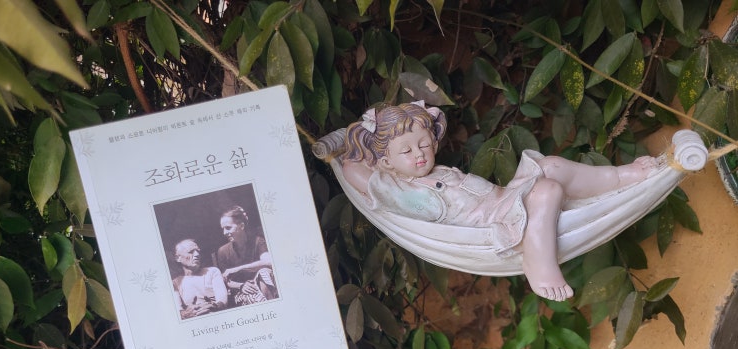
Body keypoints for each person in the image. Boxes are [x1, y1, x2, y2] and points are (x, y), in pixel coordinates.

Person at [339, 101, 656, 301]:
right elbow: (358, 175)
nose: (419, 154)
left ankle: (621, 177)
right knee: (547, 191)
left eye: (424, 144)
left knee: (551, 166)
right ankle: (538, 261)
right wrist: (345, 151)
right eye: (406, 151)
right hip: (495, 222)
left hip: (505, 199)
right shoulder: (409, 195)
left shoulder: (433, 170)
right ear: (386, 163)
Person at [212, 206, 278, 305]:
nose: (224, 232)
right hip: (242, 292)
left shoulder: (258, 241)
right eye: (223, 229)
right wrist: (241, 286)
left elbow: (269, 262)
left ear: (242, 226)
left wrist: (237, 269)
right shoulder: (223, 251)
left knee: (264, 271)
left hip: (261, 285)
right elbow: (226, 280)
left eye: (228, 228)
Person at [172, 238, 228, 318]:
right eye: (191, 252)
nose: (197, 254)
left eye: (198, 251)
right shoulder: (175, 283)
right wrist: (186, 314)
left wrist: (214, 307)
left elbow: (222, 300)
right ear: (178, 258)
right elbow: (178, 311)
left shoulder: (212, 272)